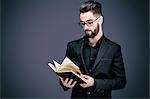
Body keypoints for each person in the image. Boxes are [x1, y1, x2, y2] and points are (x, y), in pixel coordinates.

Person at [59, 0, 126, 98]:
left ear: (100, 20)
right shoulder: (72, 46)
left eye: (89, 22)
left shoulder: (114, 49)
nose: (85, 27)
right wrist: (64, 84)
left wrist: (95, 83)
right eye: (82, 23)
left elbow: (121, 81)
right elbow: (66, 74)